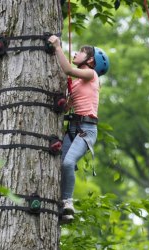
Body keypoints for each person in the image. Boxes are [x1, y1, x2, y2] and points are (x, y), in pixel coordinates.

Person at [48, 35, 109, 223]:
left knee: (67, 163)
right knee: (59, 164)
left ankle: (68, 202)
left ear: (90, 60)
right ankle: (58, 203)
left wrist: (57, 46)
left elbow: (66, 68)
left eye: (81, 52)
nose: (76, 53)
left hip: (86, 129)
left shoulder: (91, 75)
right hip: (74, 127)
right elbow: (68, 107)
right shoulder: (76, 82)